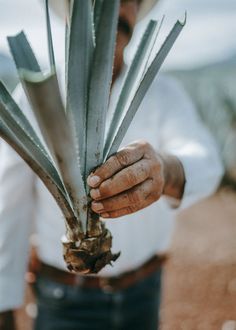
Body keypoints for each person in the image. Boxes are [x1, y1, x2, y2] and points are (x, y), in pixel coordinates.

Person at [0, 0, 223, 329]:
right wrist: (4, 303)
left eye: (129, 0)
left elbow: (206, 161)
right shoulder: (35, 98)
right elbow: (9, 208)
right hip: (63, 299)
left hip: (143, 293)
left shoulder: (163, 92)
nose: (115, 8)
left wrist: (165, 169)